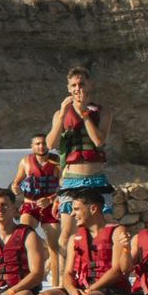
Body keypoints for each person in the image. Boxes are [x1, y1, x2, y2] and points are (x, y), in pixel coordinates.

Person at [27, 189, 131, 295]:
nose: (73, 215)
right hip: (82, 291)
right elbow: (68, 273)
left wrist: (91, 289)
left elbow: (117, 271)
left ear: (93, 209)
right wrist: (72, 290)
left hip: (108, 292)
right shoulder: (75, 238)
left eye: (76, 209)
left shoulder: (117, 232)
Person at [48, 67, 112, 261]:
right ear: (68, 88)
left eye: (82, 84)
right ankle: (60, 281)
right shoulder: (60, 113)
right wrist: (61, 117)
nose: (78, 89)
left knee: (104, 225)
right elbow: (50, 144)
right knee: (67, 231)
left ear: (90, 85)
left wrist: (84, 114)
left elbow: (99, 141)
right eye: (74, 85)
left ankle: (103, 269)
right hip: (72, 180)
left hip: (96, 178)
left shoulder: (103, 112)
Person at [11, 133, 63, 252]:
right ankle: (42, 248)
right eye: (37, 144)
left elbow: (64, 188)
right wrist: (15, 188)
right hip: (30, 206)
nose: (41, 146)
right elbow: (16, 182)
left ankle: (53, 266)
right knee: (23, 235)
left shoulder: (57, 162)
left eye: (44, 143)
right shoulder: (25, 162)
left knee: (54, 247)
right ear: (32, 146)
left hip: (50, 206)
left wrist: (50, 199)